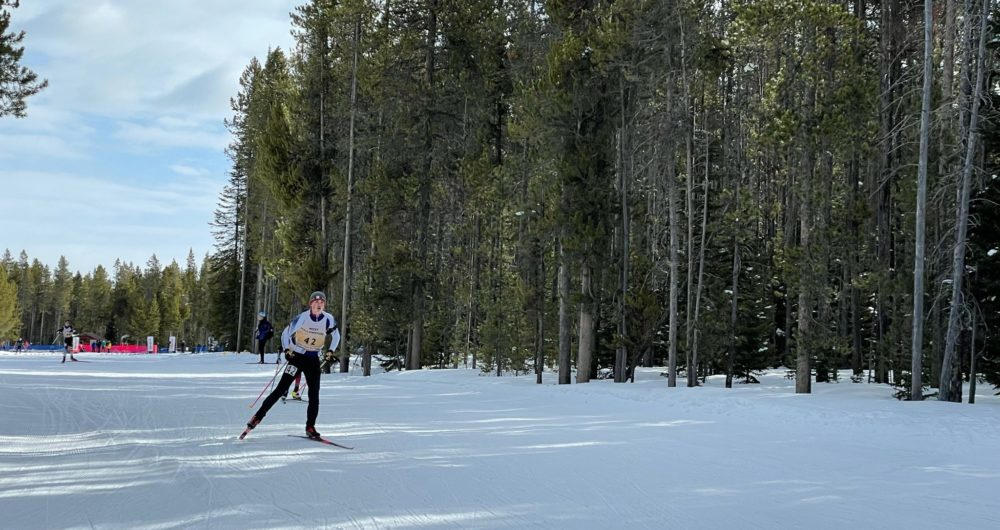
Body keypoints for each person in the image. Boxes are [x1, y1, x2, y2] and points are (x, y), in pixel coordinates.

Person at [243, 291, 340, 439]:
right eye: (316, 302)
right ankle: (257, 417)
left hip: (313, 360)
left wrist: (331, 350)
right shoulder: (303, 317)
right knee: (280, 389)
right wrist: (287, 349)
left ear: (324, 305)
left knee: (314, 394)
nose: (319, 304)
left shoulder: (328, 319)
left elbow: (336, 335)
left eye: (321, 302)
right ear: (311, 304)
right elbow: (285, 334)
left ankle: (310, 427)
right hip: (297, 357)